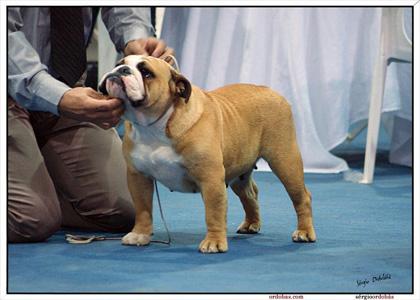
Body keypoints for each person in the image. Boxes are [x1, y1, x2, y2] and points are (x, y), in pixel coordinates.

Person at [7, 7, 174, 243]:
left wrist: (133, 37)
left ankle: (37, 189)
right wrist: (58, 97)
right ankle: (35, 200)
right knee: (29, 219)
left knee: (128, 210)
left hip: (65, 82)